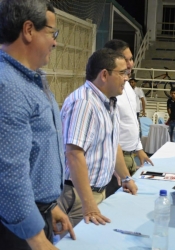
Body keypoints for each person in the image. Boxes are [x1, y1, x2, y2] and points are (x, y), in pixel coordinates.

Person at [0, 1, 75, 249]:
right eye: (52, 33)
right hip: (14, 227)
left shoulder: (32, 81)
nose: (55, 42)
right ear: (29, 30)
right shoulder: (8, 85)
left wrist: (49, 205)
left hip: (34, 213)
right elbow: (9, 172)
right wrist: (36, 238)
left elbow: (37, 153)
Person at [58, 49, 138, 228]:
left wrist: (126, 178)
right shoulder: (84, 103)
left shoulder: (109, 102)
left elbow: (112, 144)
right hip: (79, 195)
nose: (126, 78)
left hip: (96, 192)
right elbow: (74, 154)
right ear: (104, 74)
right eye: (122, 73)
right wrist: (89, 204)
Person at [104, 40, 153, 197]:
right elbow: (108, 134)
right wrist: (116, 168)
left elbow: (132, 121)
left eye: (131, 59)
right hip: (117, 159)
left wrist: (139, 149)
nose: (130, 64)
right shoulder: (109, 92)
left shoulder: (130, 90)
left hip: (130, 156)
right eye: (126, 60)